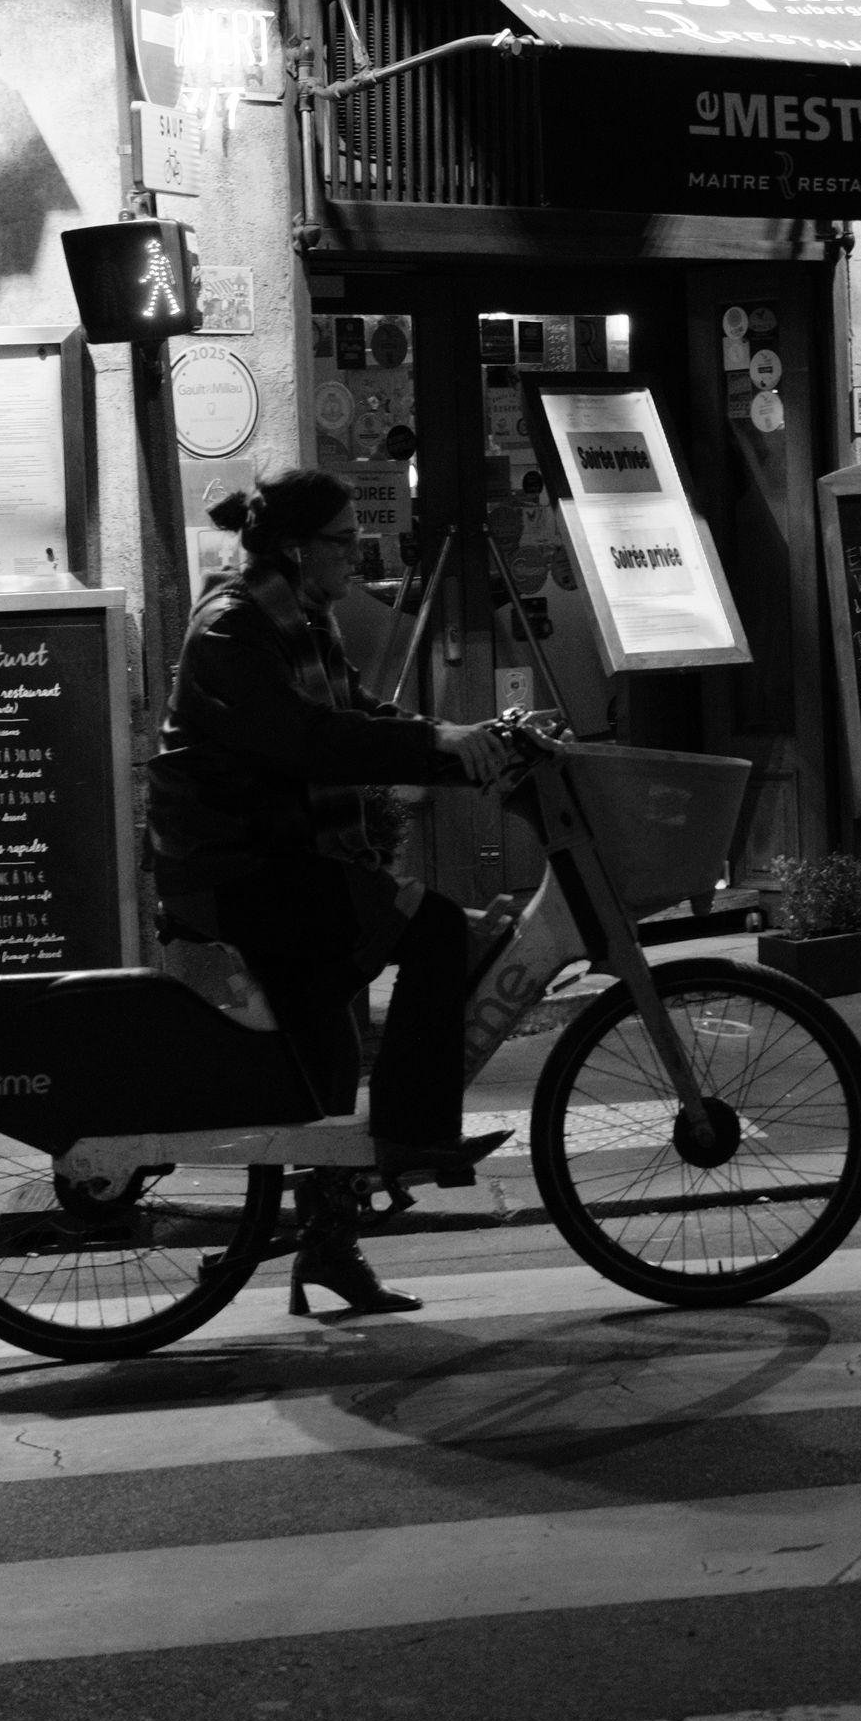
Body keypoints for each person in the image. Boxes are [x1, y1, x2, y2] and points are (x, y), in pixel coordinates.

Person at [148, 468, 513, 1318]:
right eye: (345, 542)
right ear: (296, 548)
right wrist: (436, 742)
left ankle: (327, 1250)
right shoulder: (234, 629)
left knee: (328, 1065)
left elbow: (360, 716)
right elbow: (308, 740)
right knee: (429, 932)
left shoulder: (300, 621)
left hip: (278, 861)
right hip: (238, 872)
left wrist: (468, 747)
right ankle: (419, 1134)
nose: (360, 554)